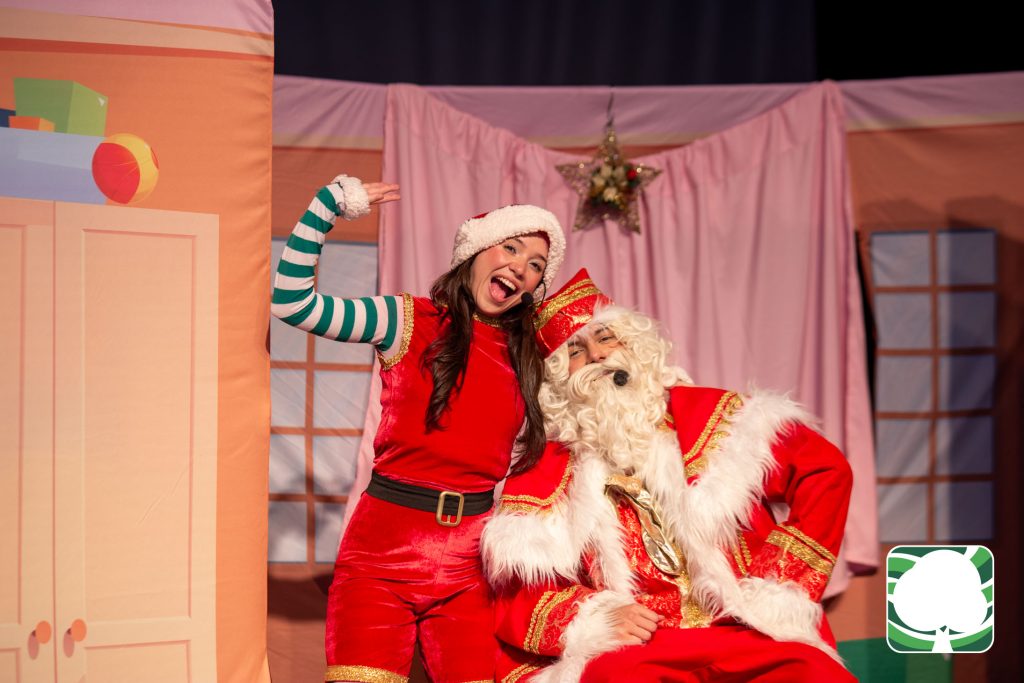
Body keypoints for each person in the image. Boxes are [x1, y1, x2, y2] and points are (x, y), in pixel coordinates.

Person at [481, 269, 856, 682]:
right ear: (559, 378)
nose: (597, 355)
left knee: (811, 671)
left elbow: (825, 471)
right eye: (576, 350)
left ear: (635, 345)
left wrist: (776, 583)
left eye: (606, 337)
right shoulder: (546, 470)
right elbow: (518, 592)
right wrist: (597, 616)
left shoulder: (718, 420)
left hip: (738, 625)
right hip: (640, 645)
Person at [271, 174, 566, 683]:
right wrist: (328, 205)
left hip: (470, 566)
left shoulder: (529, 357)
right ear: (476, 252)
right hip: (380, 556)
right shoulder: (405, 319)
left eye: (536, 265)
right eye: (511, 248)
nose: (521, 267)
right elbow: (292, 302)